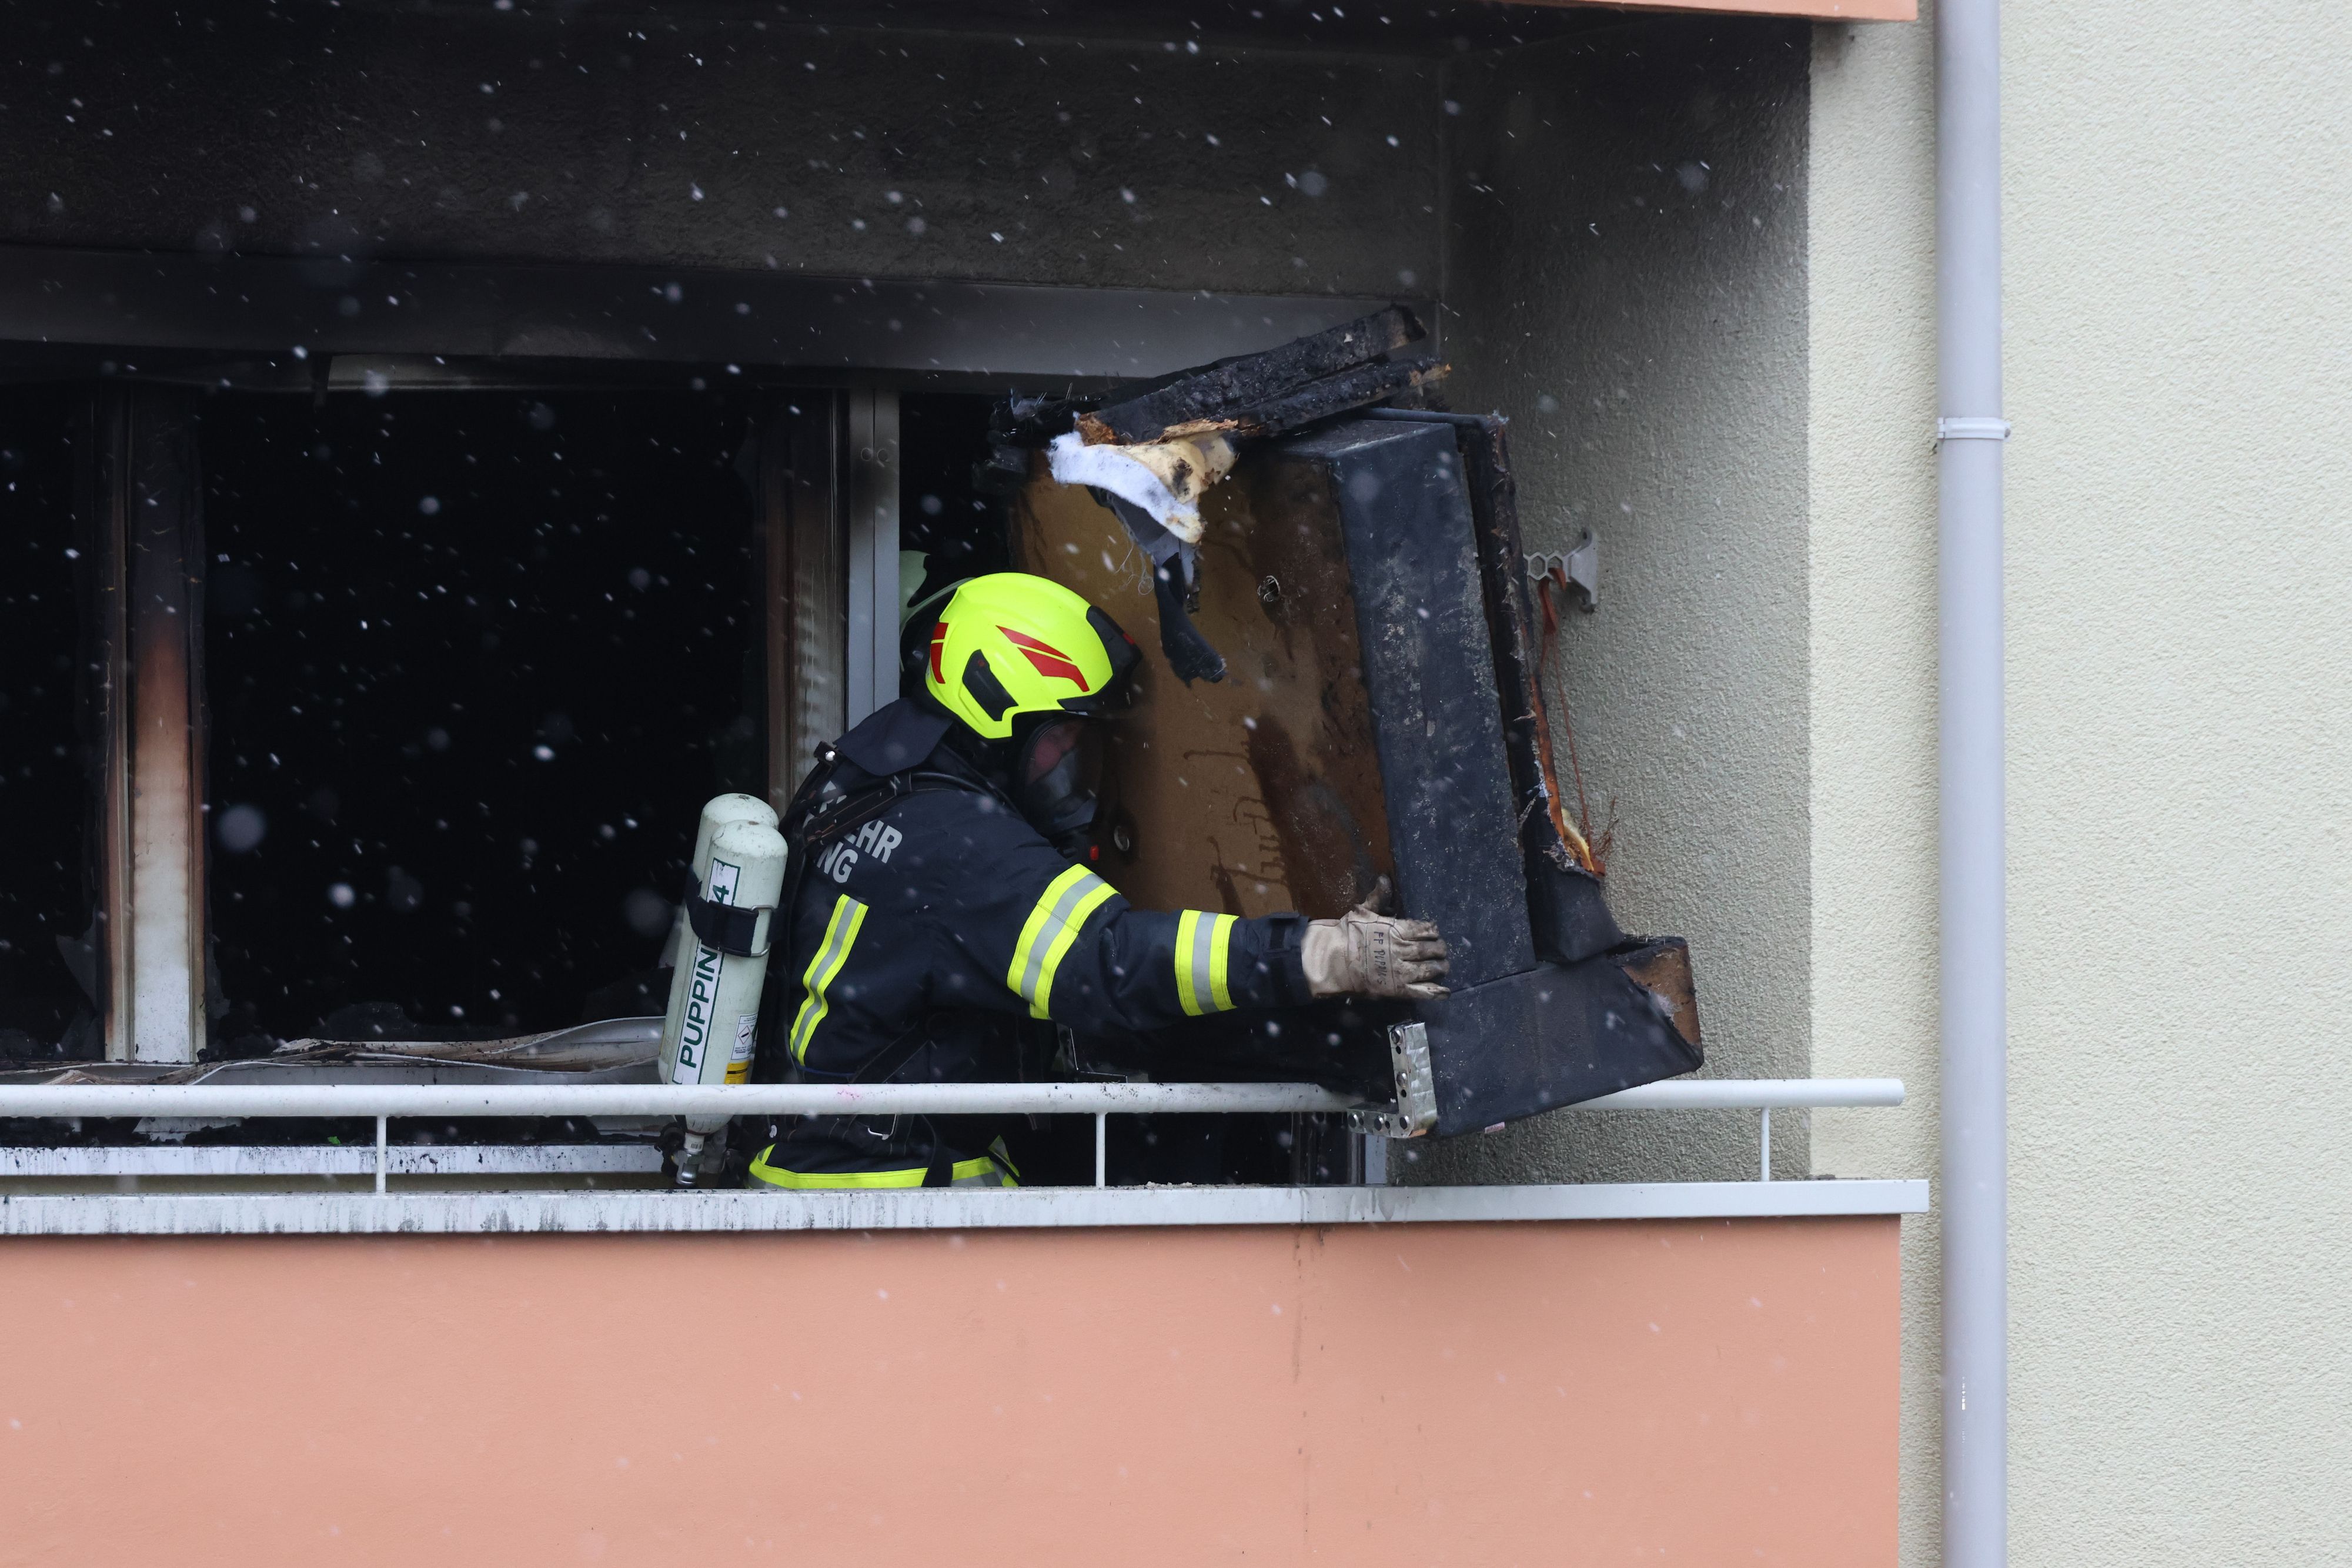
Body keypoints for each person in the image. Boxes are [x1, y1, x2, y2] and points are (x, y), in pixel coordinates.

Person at [744, 571, 1448, 1189]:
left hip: (812, 1181)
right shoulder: (958, 845)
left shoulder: (857, 779)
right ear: (994, 712)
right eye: (1062, 738)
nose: (1072, 766)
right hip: (891, 1214)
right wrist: (1322, 955)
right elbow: (1106, 963)